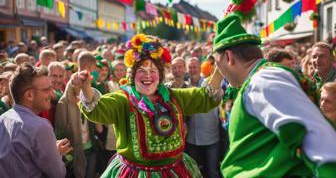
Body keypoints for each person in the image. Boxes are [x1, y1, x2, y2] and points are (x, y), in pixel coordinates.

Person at [72, 34, 224, 177]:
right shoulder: (123, 99)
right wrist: (86, 87)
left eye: (153, 70)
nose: (147, 76)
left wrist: (220, 69)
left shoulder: (173, 96)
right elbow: (98, 109)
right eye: (141, 70)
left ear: (160, 75)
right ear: (132, 74)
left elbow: (205, 97)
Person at [212, 14, 336, 177]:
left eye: (216, 62)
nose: (218, 70)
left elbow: (317, 138)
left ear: (228, 57)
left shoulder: (263, 80)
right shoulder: (258, 79)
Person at [0, 63, 71, 177]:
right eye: (46, 89)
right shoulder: (40, 127)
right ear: (29, 95)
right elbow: (58, 174)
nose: (51, 94)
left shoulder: (3, 118)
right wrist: (55, 154)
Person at [185, 57, 222, 178]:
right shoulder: (183, 86)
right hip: (191, 139)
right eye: (190, 67)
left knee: (213, 172)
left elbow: (218, 95)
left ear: (200, 67)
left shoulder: (208, 83)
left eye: (194, 67)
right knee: (193, 173)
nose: (192, 70)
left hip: (211, 138)